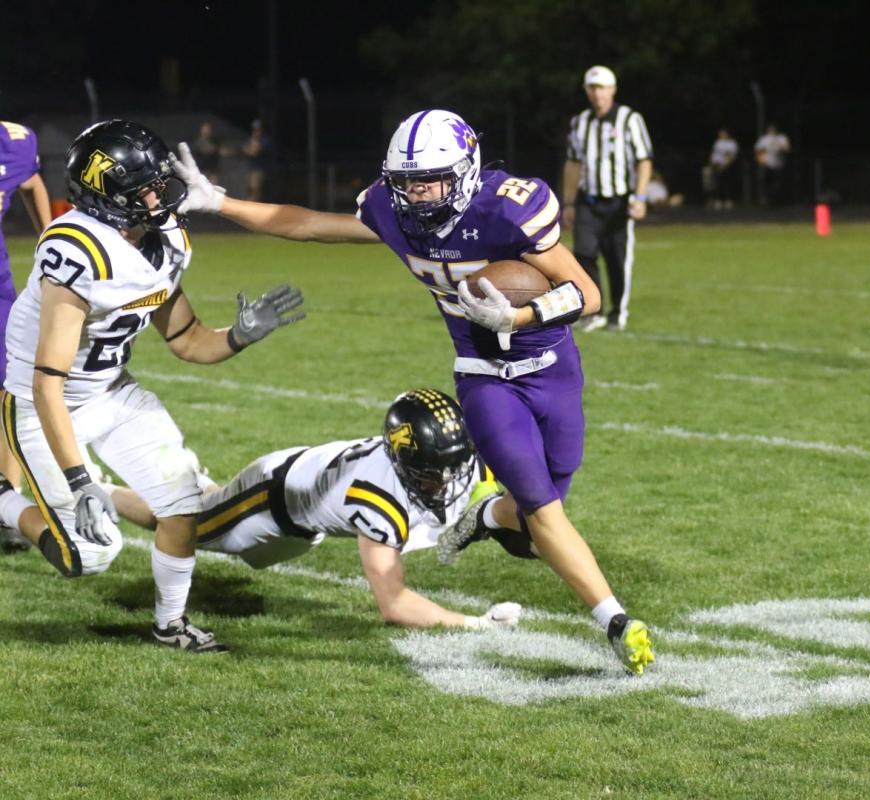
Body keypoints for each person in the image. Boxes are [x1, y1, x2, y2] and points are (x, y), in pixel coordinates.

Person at [171, 108, 655, 673]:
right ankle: (615, 621)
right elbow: (305, 223)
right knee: (544, 510)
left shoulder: (509, 207)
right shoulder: (390, 210)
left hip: (550, 367)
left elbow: (588, 294)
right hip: (482, 375)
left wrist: (518, 318)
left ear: (467, 169)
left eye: (433, 180)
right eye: (407, 182)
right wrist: (220, 203)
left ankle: (486, 519)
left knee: (533, 526)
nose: (420, 194)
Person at [0, 119, 306, 653]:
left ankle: (170, 625)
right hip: (39, 404)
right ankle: (2, 497)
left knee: (182, 502)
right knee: (88, 557)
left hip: (111, 391)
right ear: (108, 196)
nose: (158, 193)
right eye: (143, 186)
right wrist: (80, 482)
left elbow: (187, 340)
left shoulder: (166, 238)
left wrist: (239, 335)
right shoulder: (77, 249)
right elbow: (48, 382)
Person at [102, 388, 522, 631]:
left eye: (454, 466)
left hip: (306, 513)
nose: (448, 481)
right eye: (433, 474)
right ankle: (103, 493)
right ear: (402, 462)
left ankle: (197, 483)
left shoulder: (456, 456)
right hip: (270, 498)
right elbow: (393, 604)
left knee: (221, 515)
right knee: (182, 527)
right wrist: (474, 623)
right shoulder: (377, 500)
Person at [562, 65, 653, 332]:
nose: (597, 93)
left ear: (612, 89)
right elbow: (572, 163)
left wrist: (640, 196)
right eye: (592, 88)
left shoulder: (628, 119)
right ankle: (594, 310)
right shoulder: (580, 122)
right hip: (588, 200)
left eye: (602, 87)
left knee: (617, 258)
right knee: (583, 254)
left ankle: (617, 313)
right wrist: (568, 202)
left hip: (618, 201)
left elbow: (643, 160)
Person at [0, 120, 52, 518]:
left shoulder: (13, 142)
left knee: (9, 387)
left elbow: (31, 182)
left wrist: (50, 240)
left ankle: (5, 496)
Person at [754, 123, 791, 206]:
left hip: (779, 165)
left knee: (778, 184)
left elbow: (787, 149)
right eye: (770, 129)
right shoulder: (764, 139)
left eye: (773, 129)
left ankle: (777, 201)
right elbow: (758, 151)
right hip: (767, 165)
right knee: (766, 183)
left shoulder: (782, 138)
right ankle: (767, 201)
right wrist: (761, 161)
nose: (772, 131)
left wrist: (778, 144)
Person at [706, 128, 739, 210]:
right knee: (717, 184)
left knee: (727, 184)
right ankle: (718, 200)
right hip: (717, 166)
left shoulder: (732, 143)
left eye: (724, 133)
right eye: (721, 133)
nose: (722, 135)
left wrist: (724, 166)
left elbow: (732, 156)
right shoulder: (717, 143)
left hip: (727, 167)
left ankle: (728, 200)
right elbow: (713, 154)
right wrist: (711, 164)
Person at [242, 119, 269, 202]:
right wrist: (250, 149)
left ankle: (254, 208)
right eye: (254, 129)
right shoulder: (250, 139)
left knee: (255, 190)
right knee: (249, 189)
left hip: (259, 169)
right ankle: (251, 206)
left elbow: (255, 152)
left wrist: (251, 148)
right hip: (250, 168)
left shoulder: (265, 140)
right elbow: (244, 149)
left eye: (257, 129)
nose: (255, 131)